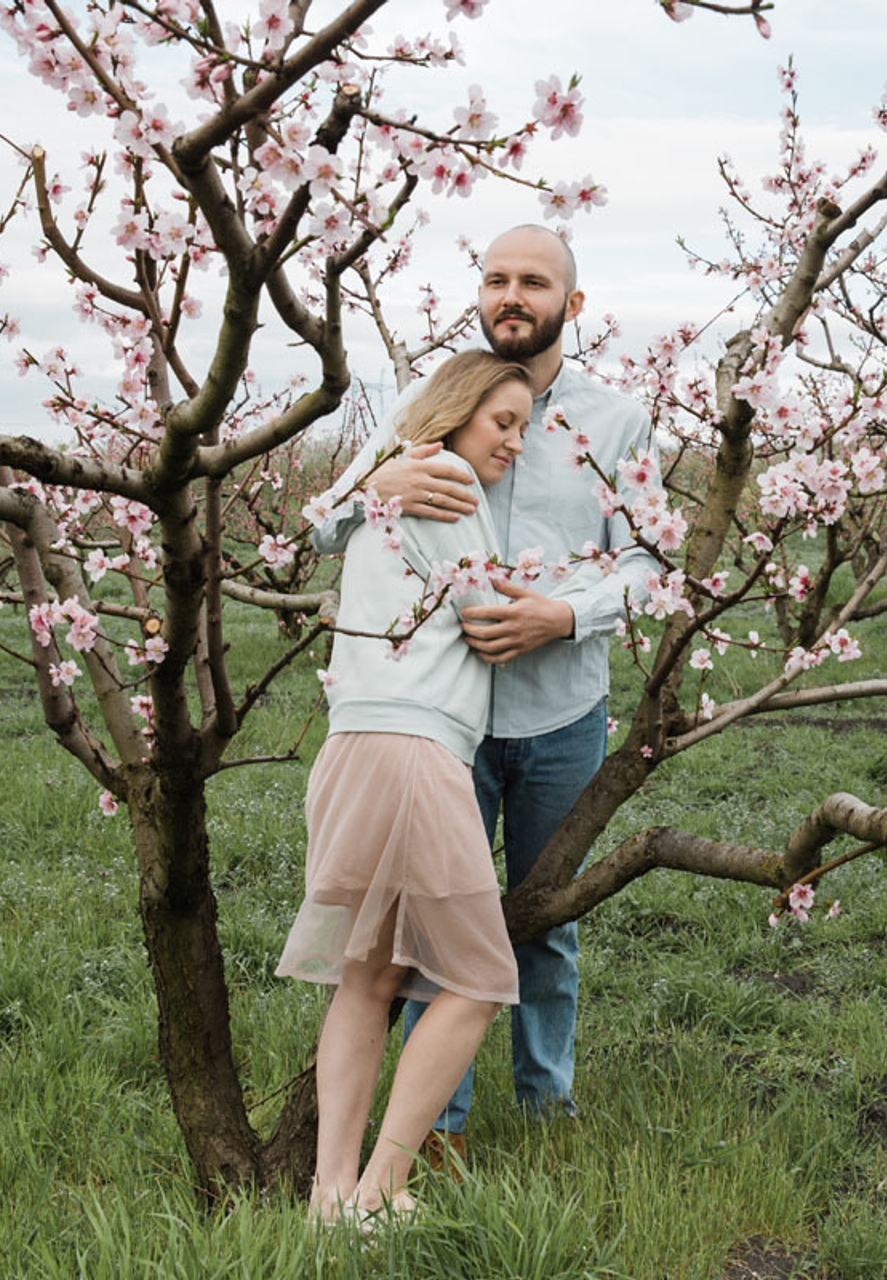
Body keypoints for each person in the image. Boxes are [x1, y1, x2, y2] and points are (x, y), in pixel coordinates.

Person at [313, 225, 660, 1159]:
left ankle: (547, 1110)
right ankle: (441, 1133)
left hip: (559, 713)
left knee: (546, 922)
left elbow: (649, 566)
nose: (514, 294)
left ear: (570, 305)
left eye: (535, 282)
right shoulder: (430, 406)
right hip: (441, 729)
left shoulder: (618, 423)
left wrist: (563, 615)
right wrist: (375, 483)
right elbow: (325, 530)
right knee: (434, 932)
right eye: (497, 278)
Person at [277, 351, 537, 1225]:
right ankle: (382, 1192)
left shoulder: (389, 478)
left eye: (524, 429)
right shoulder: (451, 479)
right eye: (503, 421)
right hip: (416, 746)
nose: (512, 442)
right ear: (458, 411)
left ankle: (328, 1196)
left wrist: (369, 486)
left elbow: (313, 524)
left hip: (351, 744)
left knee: (369, 977)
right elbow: (486, 618)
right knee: (478, 978)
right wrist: (562, 601)